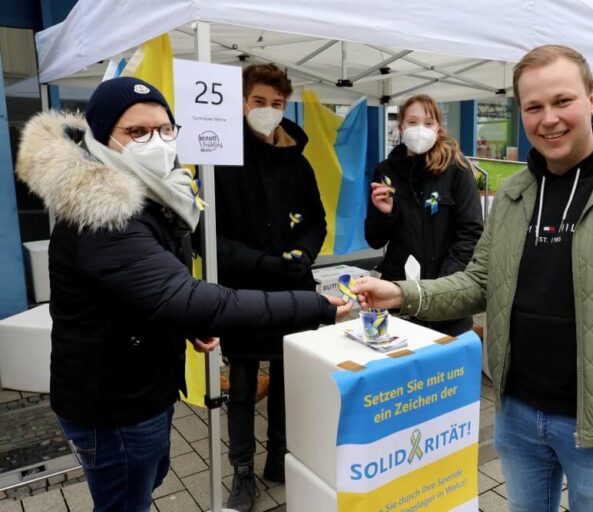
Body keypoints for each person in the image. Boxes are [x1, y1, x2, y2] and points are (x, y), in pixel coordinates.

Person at [353, 45, 593, 512]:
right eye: (534, 107)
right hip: (518, 413)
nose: (549, 119)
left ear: (590, 98)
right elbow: (478, 282)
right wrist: (402, 293)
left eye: (562, 101)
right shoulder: (516, 193)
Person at [14, 76, 351, 512]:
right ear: (100, 137)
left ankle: (275, 460)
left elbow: (153, 290)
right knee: (127, 497)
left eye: (164, 129)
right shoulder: (101, 213)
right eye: (137, 131)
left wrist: (187, 322)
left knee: (146, 479)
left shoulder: (155, 195)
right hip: (115, 401)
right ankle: (243, 470)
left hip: (143, 381)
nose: (155, 141)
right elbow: (181, 290)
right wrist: (321, 306)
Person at [213, 63, 327, 510]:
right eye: (258, 102)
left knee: (288, 376)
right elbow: (214, 237)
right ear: (242, 102)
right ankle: (242, 469)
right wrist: (261, 261)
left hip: (293, 287)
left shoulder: (297, 163)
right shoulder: (221, 159)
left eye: (276, 104)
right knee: (240, 384)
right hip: (241, 291)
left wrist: (304, 253)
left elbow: (316, 220)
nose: (267, 110)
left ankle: (279, 457)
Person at [365, 94, 483, 336]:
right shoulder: (385, 171)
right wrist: (386, 214)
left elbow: (471, 233)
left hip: (447, 294)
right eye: (412, 122)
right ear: (400, 128)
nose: (420, 129)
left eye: (428, 123)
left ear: (438, 128)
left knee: (444, 370)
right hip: (398, 295)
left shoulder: (456, 168)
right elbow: (374, 239)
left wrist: (441, 286)